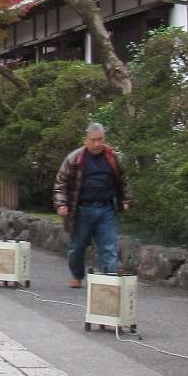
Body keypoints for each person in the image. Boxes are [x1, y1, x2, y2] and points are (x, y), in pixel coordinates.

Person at [55, 121, 131, 287]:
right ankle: (77, 274)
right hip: (82, 209)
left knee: (109, 248)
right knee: (77, 248)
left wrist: (126, 199)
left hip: (107, 209)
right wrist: (62, 204)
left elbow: (124, 180)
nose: (97, 143)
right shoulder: (74, 158)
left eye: (100, 139)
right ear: (86, 140)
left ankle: (108, 281)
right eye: (93, 140)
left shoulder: (113, 157)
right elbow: (61, 183)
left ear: (104, 139)